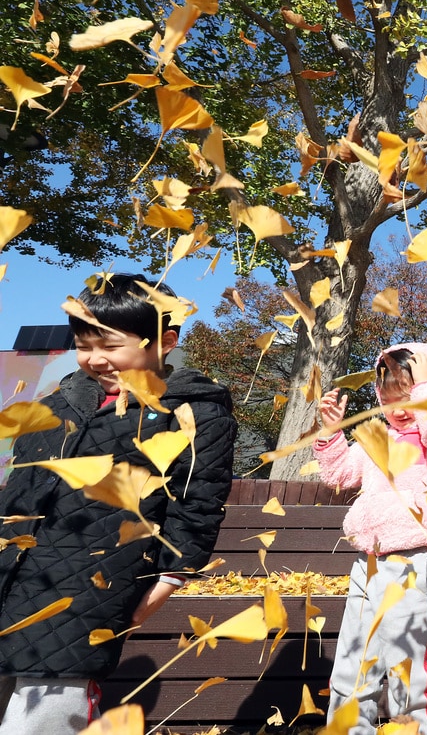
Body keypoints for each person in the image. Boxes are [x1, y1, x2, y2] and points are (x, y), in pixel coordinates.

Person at [0, 273, 237, 734]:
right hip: (14, 571)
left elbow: (197, 506)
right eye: (84, 344)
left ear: (164, 342)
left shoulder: (193, 412)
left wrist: (168, 580)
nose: (95, 358)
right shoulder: (63, 400)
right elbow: (21, 488)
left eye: (110, 344)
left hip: (91, 584)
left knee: (45, 711)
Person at [315, 342, 427, 735]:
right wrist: (331, 433)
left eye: (409, 395)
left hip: (417, 563)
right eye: (388, 397)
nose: (400, 408)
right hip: (369, 563)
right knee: (355, 661)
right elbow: (338, 475)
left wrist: (426, 389)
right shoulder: (378, 438)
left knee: (409, 670)